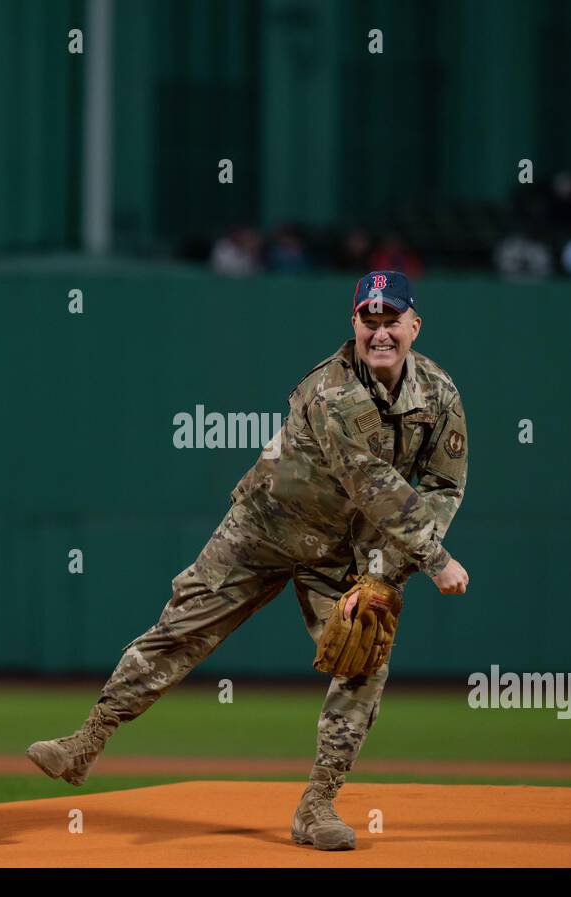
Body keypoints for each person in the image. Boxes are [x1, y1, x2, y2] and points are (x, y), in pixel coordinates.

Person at [26, 270, 471, 852]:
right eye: (370, 319)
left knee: (366, 652)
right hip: (264, 527)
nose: (380, 332)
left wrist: (389, 568)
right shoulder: (330, 390)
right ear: (354, 323)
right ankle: (87, 741)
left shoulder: (438, 393)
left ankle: (317, 805)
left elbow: (442, 484)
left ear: (414, 325)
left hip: (344, 548)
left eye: (392, 321)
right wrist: (435, 559)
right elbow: (374, 482)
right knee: (179, 630)